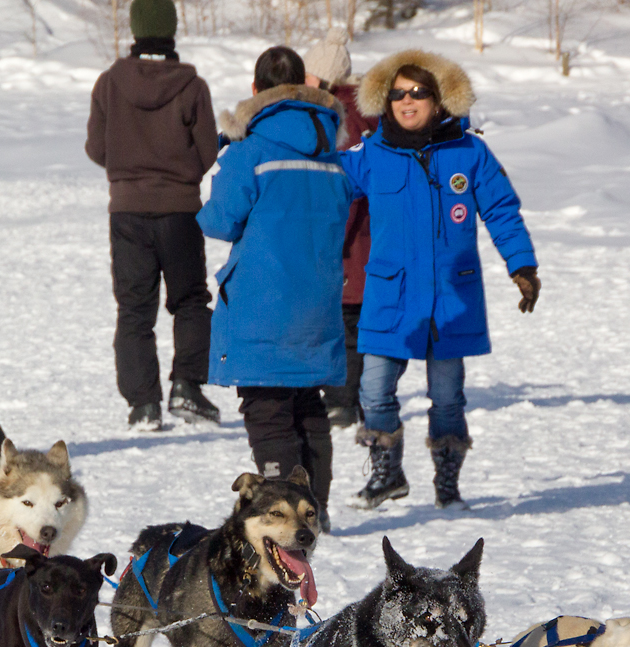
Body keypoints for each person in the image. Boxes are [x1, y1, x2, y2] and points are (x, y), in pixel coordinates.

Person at [340, 50, 539, 511]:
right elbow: (320, 183)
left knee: (447, 397)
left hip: (452, 298)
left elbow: (502, 211)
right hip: (392, 296)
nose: (407, 102)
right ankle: (388, 475)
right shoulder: (370, 154)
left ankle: (447, 485)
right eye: (398, 94)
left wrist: (522, 266)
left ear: (441, 98)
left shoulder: (469, 152)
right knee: (373, 390)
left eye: (419, 93)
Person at [197, 46, 352, 519]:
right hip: (319, 298)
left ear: (254, 90)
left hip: (264, 300)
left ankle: (288, 509)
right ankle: (316, 507)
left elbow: (220, 221)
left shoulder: (253, 149)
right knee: (307, 402)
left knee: (267, 409)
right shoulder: (333, 149)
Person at [85, 0, 219, 431]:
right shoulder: (192, 85)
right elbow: (208, 152)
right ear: (172, 30)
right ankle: (187, 388)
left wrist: (129, 171)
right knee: (191, 301)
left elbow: (96, 149)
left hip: (126, 211)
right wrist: (178, 176)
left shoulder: (109, 82)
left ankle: (144, 404)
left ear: (135, 30)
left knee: (134, 311)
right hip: (179, 210)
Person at [303, 29, 379, 430]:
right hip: (368, 239)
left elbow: (343, 189)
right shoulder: (367, 113)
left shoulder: (336, 118)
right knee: (358, 324)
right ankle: (364, 397)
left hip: (346, 241)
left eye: (310, 77)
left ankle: (341, 402)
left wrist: (329, 240)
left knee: (341, 322)